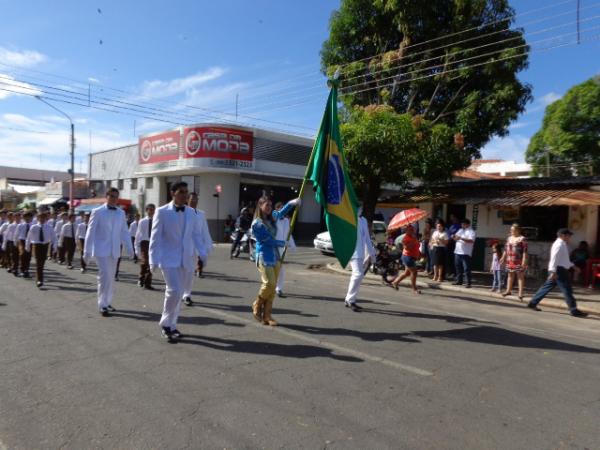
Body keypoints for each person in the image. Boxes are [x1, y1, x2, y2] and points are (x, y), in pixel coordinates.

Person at [149, 182, 212, 341]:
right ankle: (165, 323)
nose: (185, 195)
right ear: (173, 193)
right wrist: (152, 260)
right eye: (181, 192)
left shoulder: (192, 213)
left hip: (186, 259)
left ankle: (172, 325)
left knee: (178, 294)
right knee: (174, 291)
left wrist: (203, 253)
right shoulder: (162, 212)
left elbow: (196, 235)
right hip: (168, 258)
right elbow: (155, 238)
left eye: (186, 192)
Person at [83, 188, 134, 317]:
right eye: (111, 196)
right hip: (101, 250)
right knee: (104, 276)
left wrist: (130, 248)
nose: (113, 199)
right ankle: (102, 304)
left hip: (115, 250)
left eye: (116, 197)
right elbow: (90, 232)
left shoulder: (121, 213)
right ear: (106, 196)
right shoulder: (97, 212)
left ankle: (107, 301)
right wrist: (87, 251)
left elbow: (124, 231)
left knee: (111, 277)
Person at [251, 196, 300, 325]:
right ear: (260, 206)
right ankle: (257, 304)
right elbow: (267, 241)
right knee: (270, 283)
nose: (269, 208)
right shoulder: (257, 223)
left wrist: (291, 203)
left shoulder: (272, 216)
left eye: (270, 205)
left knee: (273, 289)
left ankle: (267, 316)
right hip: (264, 256)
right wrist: (283, 243)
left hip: (275, 255)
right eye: (266, 205)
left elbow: (281, 213)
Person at [527, 228, 588, 317]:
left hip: (558, 269)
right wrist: (552, 271)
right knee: (567, 289)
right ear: (563, 235)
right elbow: (554, 259)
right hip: (559, 270)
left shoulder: (562, 244)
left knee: (546, 287)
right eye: (568, 235)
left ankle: (532, 303)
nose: (570, 237)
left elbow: (564, 260)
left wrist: (573, 266)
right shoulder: (559, 245)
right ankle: (573, 309)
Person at [181, 192, 213, 306]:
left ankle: (187, 295)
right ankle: (177, 291)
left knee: (190, 272)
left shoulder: (201, 214)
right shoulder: (181, 212)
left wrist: (208, 245)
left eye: (196, 200)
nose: (194, 202)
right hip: (181, 248)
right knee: (180, 272)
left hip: (194, 248)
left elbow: (205, 230)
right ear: (187, 200)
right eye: (192, 200)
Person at [343, 209, 376, 311]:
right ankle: (350, 300)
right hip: (353, 251)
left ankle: (350, 299)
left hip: (361, 252)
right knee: (358, 274)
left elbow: (366, 238)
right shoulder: (350, 219)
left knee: (359, 275)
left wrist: (371, 253)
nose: (360, 209)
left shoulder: (363, 220)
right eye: (357, 207)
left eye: (361, 207)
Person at [25, 209, 57, 288]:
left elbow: (54, 237)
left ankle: (39, 278)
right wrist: (27, 246)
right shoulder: (33, 227)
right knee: (38, 264)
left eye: (43, 217)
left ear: (46, 218)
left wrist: (55, 246)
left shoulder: (49, 227)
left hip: (45, 246)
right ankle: (39, 280)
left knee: (42, 263)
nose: (42, 219)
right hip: (36, 246)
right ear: (38, 218)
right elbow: (28, 238)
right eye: (40, 217)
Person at [274, 201, 297, 298]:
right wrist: (291, 203)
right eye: (281, 208)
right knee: (272, 268)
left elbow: (288, 233)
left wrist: (292, 245)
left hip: (282, 248)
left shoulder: (287, 220)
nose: (284, 211)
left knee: (281, 269)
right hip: (273, 246)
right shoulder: (274, 217)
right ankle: (271, 285)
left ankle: (279, 288)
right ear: (277, 209)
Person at [391, 224, 422, 294]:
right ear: (406, 231)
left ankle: (395, 282)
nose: (412, 231)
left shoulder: (413, 237)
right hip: (408, 257)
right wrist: (412, 242)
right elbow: (407, 248)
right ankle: (414, 289)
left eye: (413, 230)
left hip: (412, 257)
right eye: (410, 230)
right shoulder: (405, 238)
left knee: (407, 273)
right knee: (414, 272)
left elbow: (417, 246)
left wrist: (419, 253)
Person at [501, 223, 528, 301]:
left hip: (518, 260)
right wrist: (503, 257)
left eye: (513, 230)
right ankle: (508, 291)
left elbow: (525, 251)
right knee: (510, 275)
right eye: (511, 229)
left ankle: (520, 293)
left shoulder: (522, 239)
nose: (511, 231)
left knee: (520, 276)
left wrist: (524, 261)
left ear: (518, 230)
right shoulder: (509, 238)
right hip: (510, 260)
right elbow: (506, 249)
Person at [134, 204, 156, 290]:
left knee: (151, 263)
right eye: (149, 210)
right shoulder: (142, 221)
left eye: (152, 210)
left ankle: (148, 283)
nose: (151, 211)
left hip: (153, 243)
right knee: (145, 262)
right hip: (144, 243)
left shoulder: (156, 221)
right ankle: (141, 279)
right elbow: (138, 235)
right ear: (146, 210)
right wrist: (136, 248)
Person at [453, 218, 476, 288]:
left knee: (466, 268)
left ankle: (468, 283)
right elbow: (455, 238)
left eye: (464, 224)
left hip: (465, 253)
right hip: (457, 251)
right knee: (458, 267)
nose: (462, 225)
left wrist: (461, 238)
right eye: (462, 224)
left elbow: (471, 241)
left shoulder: (471, 231)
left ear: (468, 224)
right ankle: (459, 281)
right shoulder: (460, 230)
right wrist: (454, 237)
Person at [15, 210, 33, 278]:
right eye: (26, 217)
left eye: (29, 217)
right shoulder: (20, 225)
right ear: (23, 218)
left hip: (30, 241)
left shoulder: (33, 226)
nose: (27, 218)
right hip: (22, 241)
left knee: (28, 256)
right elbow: (16, 234)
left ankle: (26, 270)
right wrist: (15, 242)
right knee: (22, 254)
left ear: (31, 218)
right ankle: (22, 269)